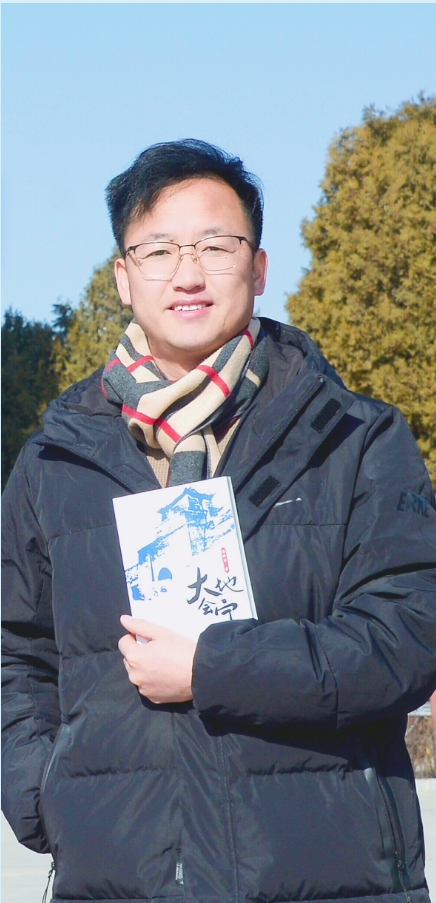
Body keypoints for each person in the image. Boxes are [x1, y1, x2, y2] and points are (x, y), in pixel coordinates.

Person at [2, 139, 436, 903]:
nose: (188, 273)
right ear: (123, 276)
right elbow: (16, 649)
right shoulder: (56, 458)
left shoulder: (353, 437)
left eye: (215, 245)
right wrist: (47, 796)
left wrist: (215, 666)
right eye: (159, 250)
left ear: (259, 267)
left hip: (324, 876)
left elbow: (406, 637)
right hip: (118, 880)